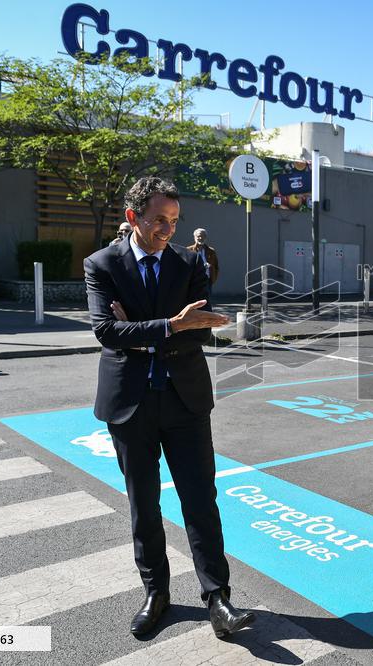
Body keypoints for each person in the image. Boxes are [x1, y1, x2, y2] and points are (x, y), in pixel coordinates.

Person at [83, 176, 255, 639]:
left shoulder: (190, 262)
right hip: (130, 404)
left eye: (174, 221)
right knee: (144, 504)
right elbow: (105, 332)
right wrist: (169, 325)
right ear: (133, 217)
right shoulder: (101, 265)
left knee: (200, 501)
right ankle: (156, 594)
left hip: (186, 400)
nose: (168, 230)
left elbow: (200, 329)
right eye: (159, 220)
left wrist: (142, 330)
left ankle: (218, 598)